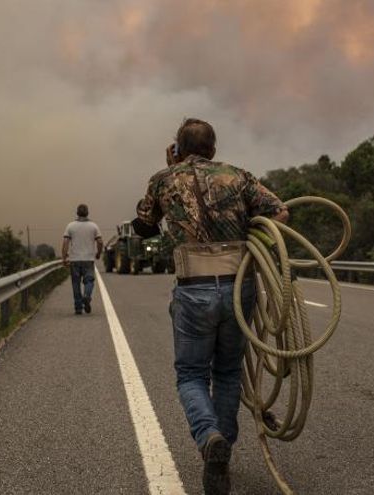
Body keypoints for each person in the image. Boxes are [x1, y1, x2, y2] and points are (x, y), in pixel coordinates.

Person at [133, 118, 289, 495]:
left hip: (194, 289)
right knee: (228, 373)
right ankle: (222, 455)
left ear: (177, 148)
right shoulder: (237, 176)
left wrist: (172, 171)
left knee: (190, 375)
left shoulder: (163, 179)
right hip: (239, 287)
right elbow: (280, 212)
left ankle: (209, 438)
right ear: (214, 149)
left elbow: (144, 227)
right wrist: (249, 231)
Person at [61, 204, 103, 315]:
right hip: (88, 259)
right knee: (89, 281)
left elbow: (65, 242)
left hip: (74, 259)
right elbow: (100, 242)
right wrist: (98, 253)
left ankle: (78, 308)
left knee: (76, 283)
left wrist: (64, 257)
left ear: (77, 213)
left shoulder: (70, 226)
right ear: (87, 213)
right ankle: (87, 296)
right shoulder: (93, 226)